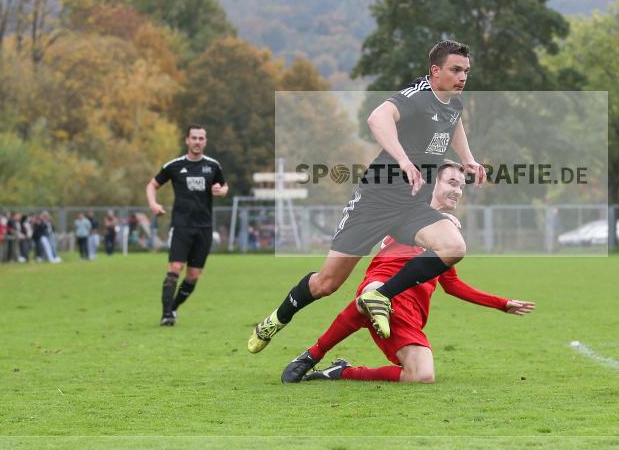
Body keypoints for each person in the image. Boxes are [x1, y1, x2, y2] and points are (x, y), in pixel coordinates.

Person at [248, 40, 486, 352]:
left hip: (412, 205)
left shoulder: (453, 101)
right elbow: (377, 117)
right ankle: (275, 320)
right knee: (327, 283)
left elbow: (454, 125)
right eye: (456, 70)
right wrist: (403, 160)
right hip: (375, 202)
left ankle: (381, 294)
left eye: (466, 71)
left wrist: (467, 158)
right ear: (435, 70)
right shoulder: (418, 96)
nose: (462, 77)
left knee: (453, 246)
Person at [281, 161, 535, 383]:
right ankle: (312, 354)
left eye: (461, 186)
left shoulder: (444, 238)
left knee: (421, 376)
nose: (457, 191)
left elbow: (453, 285)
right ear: (431, 184)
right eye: (451, 182)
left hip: (410, 315)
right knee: (372, 294)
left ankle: (340, 372)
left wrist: (503, 304)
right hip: (383, 290)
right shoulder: (405, 214)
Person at [147, 125, 228, 326]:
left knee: (193, 276)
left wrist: (222, 190)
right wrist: (153, 204)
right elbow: (152, 185)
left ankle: (173, 308)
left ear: (205, 141)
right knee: (175, 267)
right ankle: (166, 315)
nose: (197, 142)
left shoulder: (213, 166)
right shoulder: (174, 166)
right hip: (181, 226)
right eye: (194, 138)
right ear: (187, 140)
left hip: (204, 228)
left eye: (201, 138)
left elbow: (223, 186)